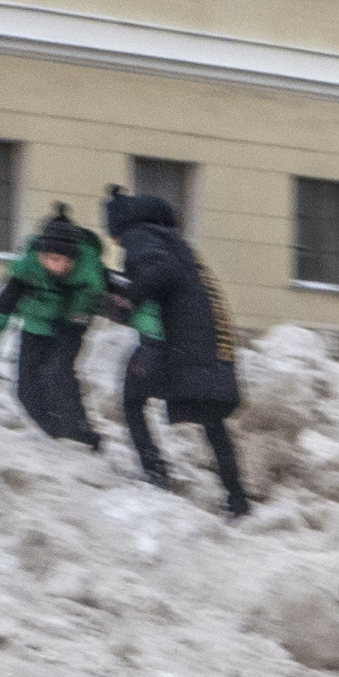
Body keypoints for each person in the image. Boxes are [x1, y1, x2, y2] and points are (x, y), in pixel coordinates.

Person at [99, 186, 252, 518]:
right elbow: (165, 293)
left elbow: (159, 276)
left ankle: (156, 475)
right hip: (205, 344)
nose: (115, 244)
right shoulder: (176, 243)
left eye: (113, 236)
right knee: (212, 420)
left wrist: (128, 295)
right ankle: (237, 498)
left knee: (132, 399)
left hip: (178, 346)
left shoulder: (140, 237)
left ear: (120, 227)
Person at [0, 205, 108, 449]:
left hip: (70, 325)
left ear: (71, 259)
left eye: (57, 259)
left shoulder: (88, 277)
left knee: (57, 373)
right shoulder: (26, 272)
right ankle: (58, 440)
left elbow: (83, 314)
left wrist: (71, 325)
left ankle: (83, 437)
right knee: (25, 393)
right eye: (45, 257)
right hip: (36, 326)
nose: (50, 264)